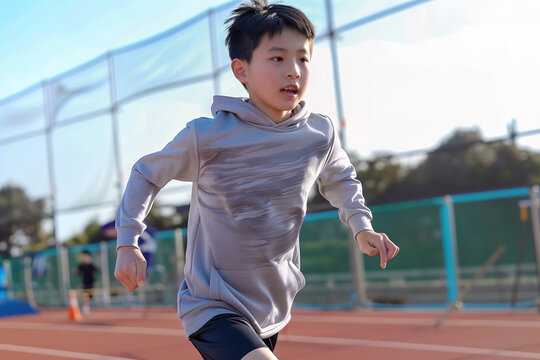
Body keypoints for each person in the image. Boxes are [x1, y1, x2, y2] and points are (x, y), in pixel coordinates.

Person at [114, 1, 399, 359]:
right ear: (241, 70)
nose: (293, 71)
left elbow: (341, 177)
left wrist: (362, 227)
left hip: (272, 303)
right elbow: (145, 173)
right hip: (212, 304)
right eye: (277, 58)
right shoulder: (208, 136)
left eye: (303, 58)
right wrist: (128, 242)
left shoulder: (318, 133)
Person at [75, 249, 98, 315]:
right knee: (85, 297)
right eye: (83, 256)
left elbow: (97, 270)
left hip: (91, 284)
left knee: (89, 298)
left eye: (85, 256)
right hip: (85, 284)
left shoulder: (91, 265)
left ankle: (86, 308)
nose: (84, 257)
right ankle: (85, 309)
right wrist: (76, 271)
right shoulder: (81, 265)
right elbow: (77, 272)